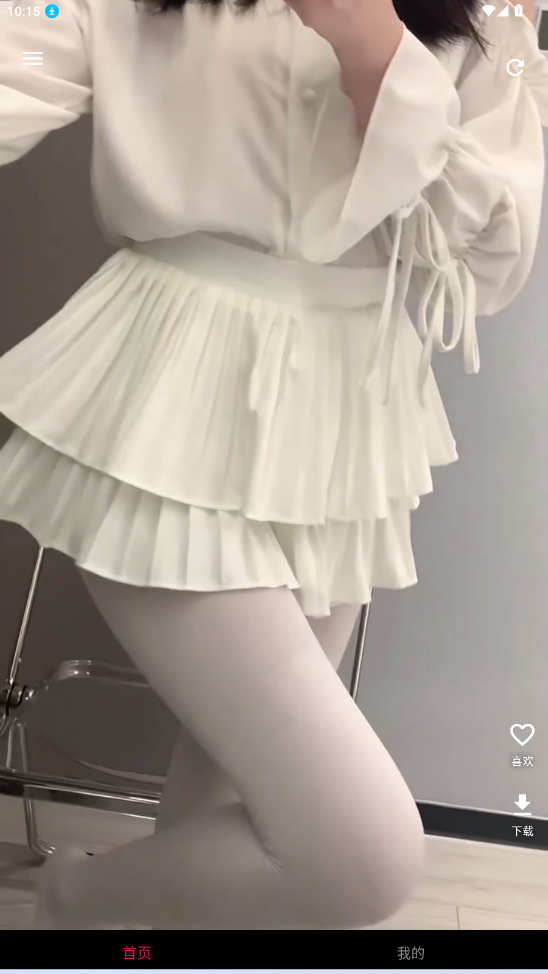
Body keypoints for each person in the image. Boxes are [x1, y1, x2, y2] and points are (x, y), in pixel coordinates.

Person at [0, 0, 547, 931]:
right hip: (162, 394)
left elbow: (489, 256)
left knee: (235, 805)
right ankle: (76, 904)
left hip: (349, 414)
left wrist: (374, 48)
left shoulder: (492, 14)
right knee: (357, 854)